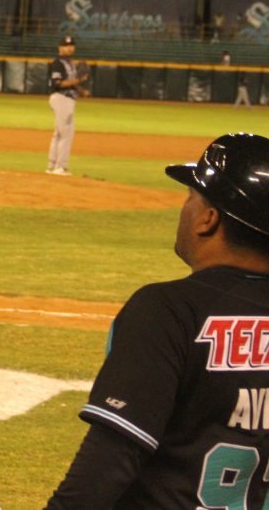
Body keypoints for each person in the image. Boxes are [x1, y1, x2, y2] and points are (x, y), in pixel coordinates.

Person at [41, 133, 269, 509]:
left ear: (208, 220)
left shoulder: (168, 310)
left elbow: (107, 464)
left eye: (191, 197)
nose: (185, 208)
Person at [46, 34, 87, 176]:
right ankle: (60, 167)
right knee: (66, 133)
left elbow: (70, 83)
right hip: (61, 99)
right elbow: (58, 83)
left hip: (66, 99)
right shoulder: (58, 63)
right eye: (66, 46)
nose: (69, 48)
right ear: (60, 47)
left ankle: (52, 166)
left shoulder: (70, 64)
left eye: (71, 45)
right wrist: (79, 80)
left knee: (59, 133)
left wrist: (80, 90)